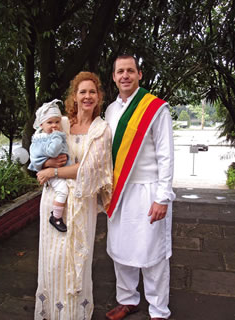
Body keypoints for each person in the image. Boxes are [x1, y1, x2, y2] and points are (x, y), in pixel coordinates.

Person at [34, 71, 113, 320]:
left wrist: (53, 170)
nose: (87, 96)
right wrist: (45, 164)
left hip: (81, 204)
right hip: (53, 200)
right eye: (82, 92)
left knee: (77, 261)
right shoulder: (63, 123)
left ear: (98, 96)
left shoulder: (101, 130)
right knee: (52, 259)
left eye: (92, 91)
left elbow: (89, 168)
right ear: (75, 97)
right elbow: (36, 148)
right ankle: (50, 313)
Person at [105, 55, 175, 320]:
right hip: (119, 191)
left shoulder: (156, 108)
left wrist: (162, 198)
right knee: (120, 248)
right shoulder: (110, 110)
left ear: (139, 75)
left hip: (149, 190)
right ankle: (127, 300)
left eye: (130, 71)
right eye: (120, 71)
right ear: (114, 77)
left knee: (153, 252)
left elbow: (166, 156)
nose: (125, 75)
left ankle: (158, 310)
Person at [28, 99, 69, 232]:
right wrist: (57, 136)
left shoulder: (47, 137)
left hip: (61, 170)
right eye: (49, 122)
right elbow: (52, 151)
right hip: (51, 172)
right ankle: (56, 217)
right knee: (63, 190)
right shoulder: (44, 139)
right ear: (41, 124)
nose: (54, 126)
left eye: (57, 122)